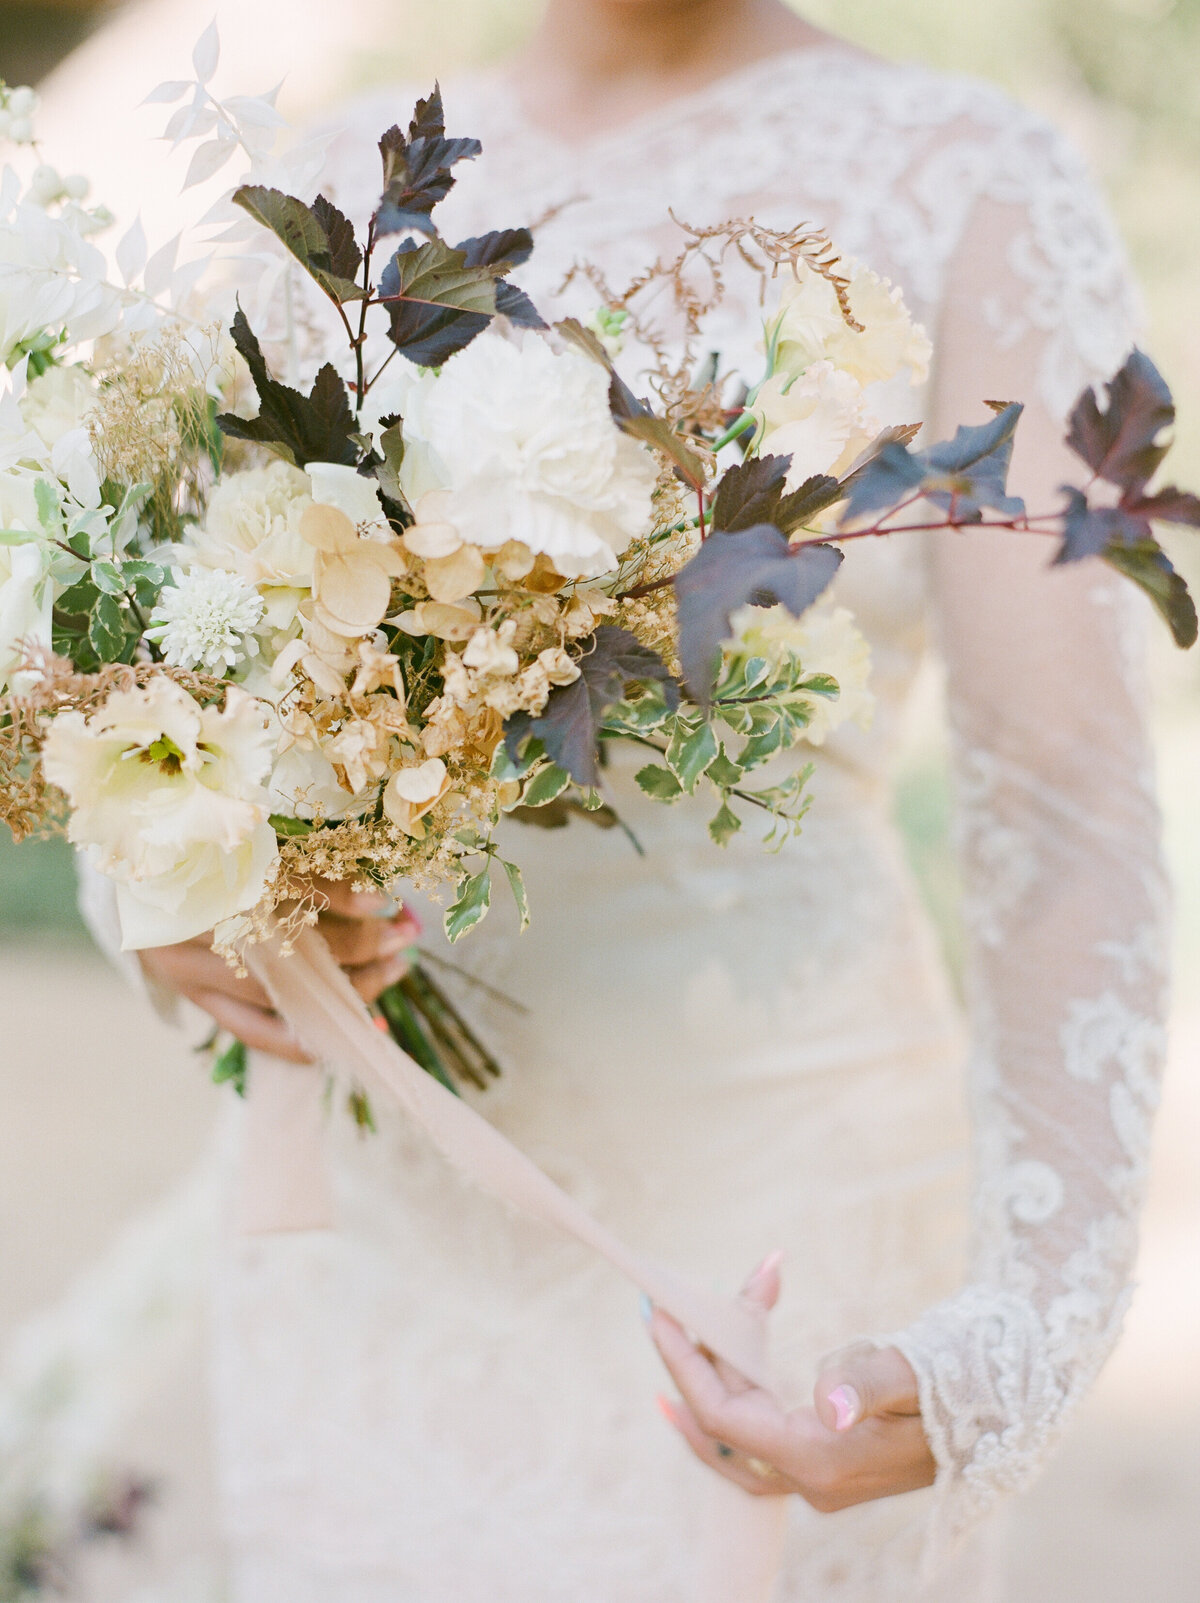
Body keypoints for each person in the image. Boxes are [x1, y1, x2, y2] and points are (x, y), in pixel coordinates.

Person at [115, 1, 1169, 1597]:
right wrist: (181, 906)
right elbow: (207, 688)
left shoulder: (969, 178)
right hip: (376, 1248)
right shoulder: (333, 179)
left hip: (767, 1229)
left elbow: (1070, 808)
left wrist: (1021, 1335)